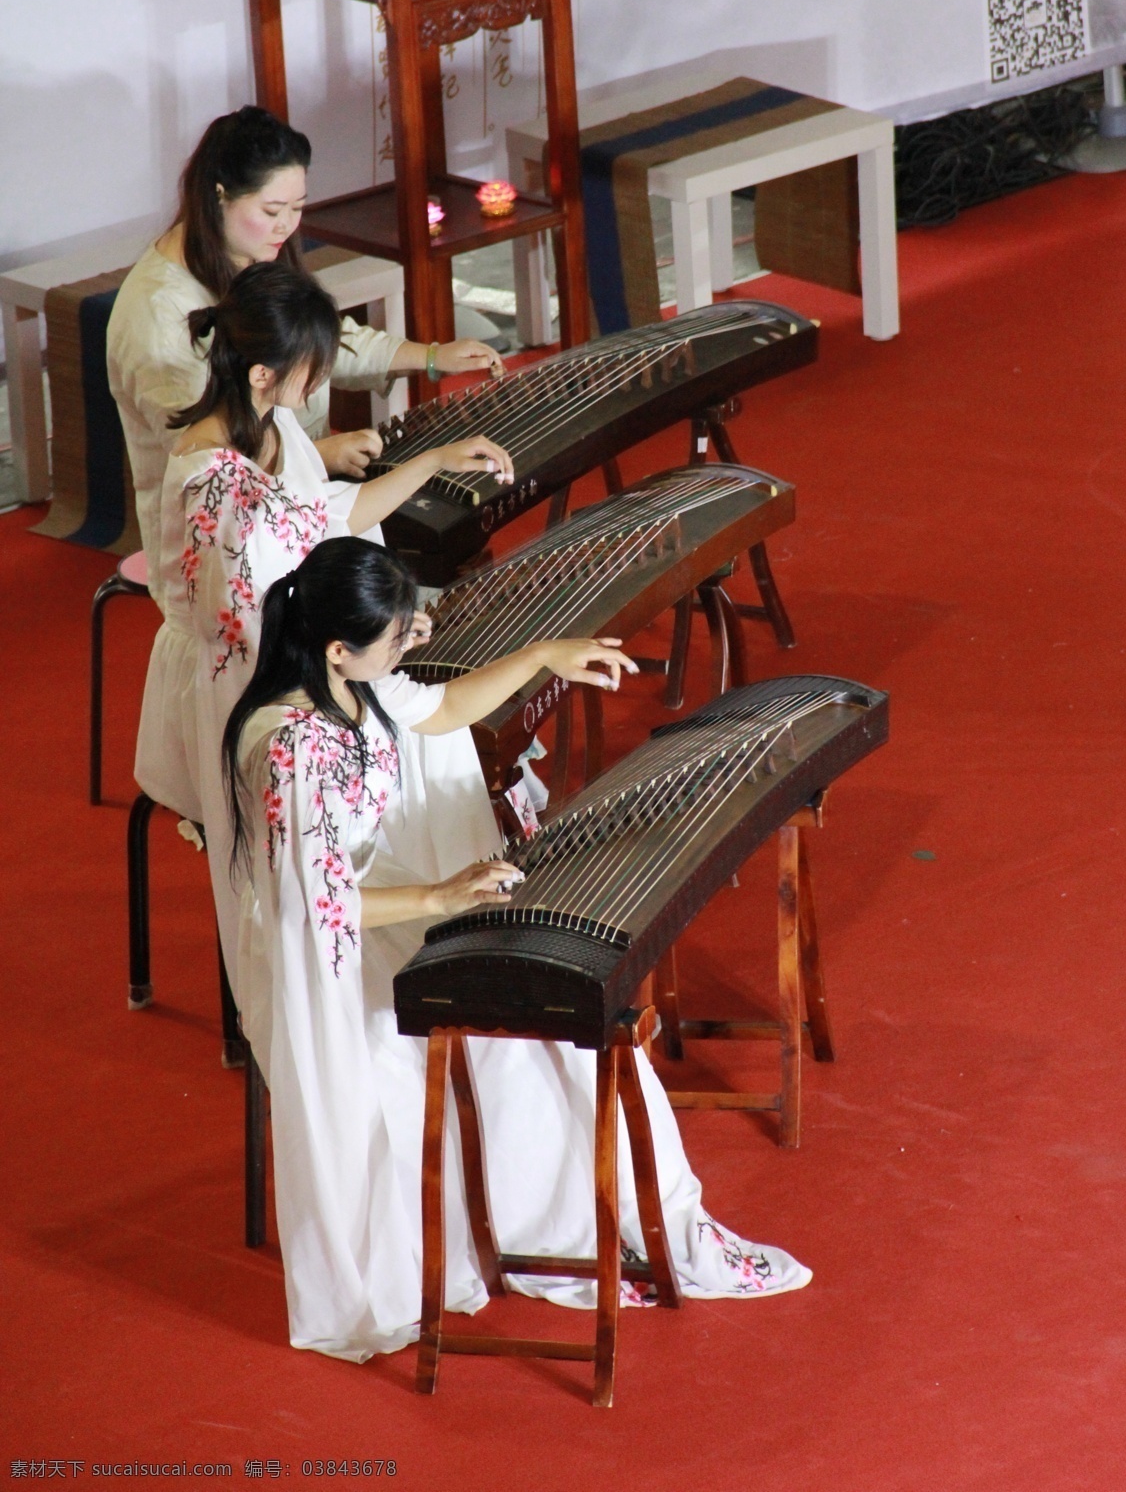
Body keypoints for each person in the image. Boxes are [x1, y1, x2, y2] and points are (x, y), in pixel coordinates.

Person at [223, 535, 812, 1361]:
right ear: (336, 648)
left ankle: (583, 1219)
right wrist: (439, 896)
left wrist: (546, 656)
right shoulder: (289, 745)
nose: (413, 642)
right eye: (398, 634)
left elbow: (445, 706)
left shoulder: (352, 686)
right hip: (325, 954)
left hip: (376, 910)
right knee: (509, 1044)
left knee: (538, 1019)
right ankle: (556, 1224)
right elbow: (315, 905)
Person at [138, 260, 513, 989]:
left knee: (437, 738)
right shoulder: (211, 482)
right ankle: (405, 947)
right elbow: (254, 617)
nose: (315, 391)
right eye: (309, 374)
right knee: (417, 737)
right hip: (260, 681)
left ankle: (447, 939)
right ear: (260, 375)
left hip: (317, 654)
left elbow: (329, 517)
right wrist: (383, 637)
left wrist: (433, 461)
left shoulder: (274, 421)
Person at [107, 104, 505, 609]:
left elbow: (312, 339)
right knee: (418, 567)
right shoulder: (158, 320)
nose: (288, 227)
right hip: (229, 560)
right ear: (218, 195)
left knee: (444, 533)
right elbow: (207, 473)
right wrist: (323, 455)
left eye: (297, 209)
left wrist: (427, 357)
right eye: (273, 212)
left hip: (296, 496)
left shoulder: (244, 252)